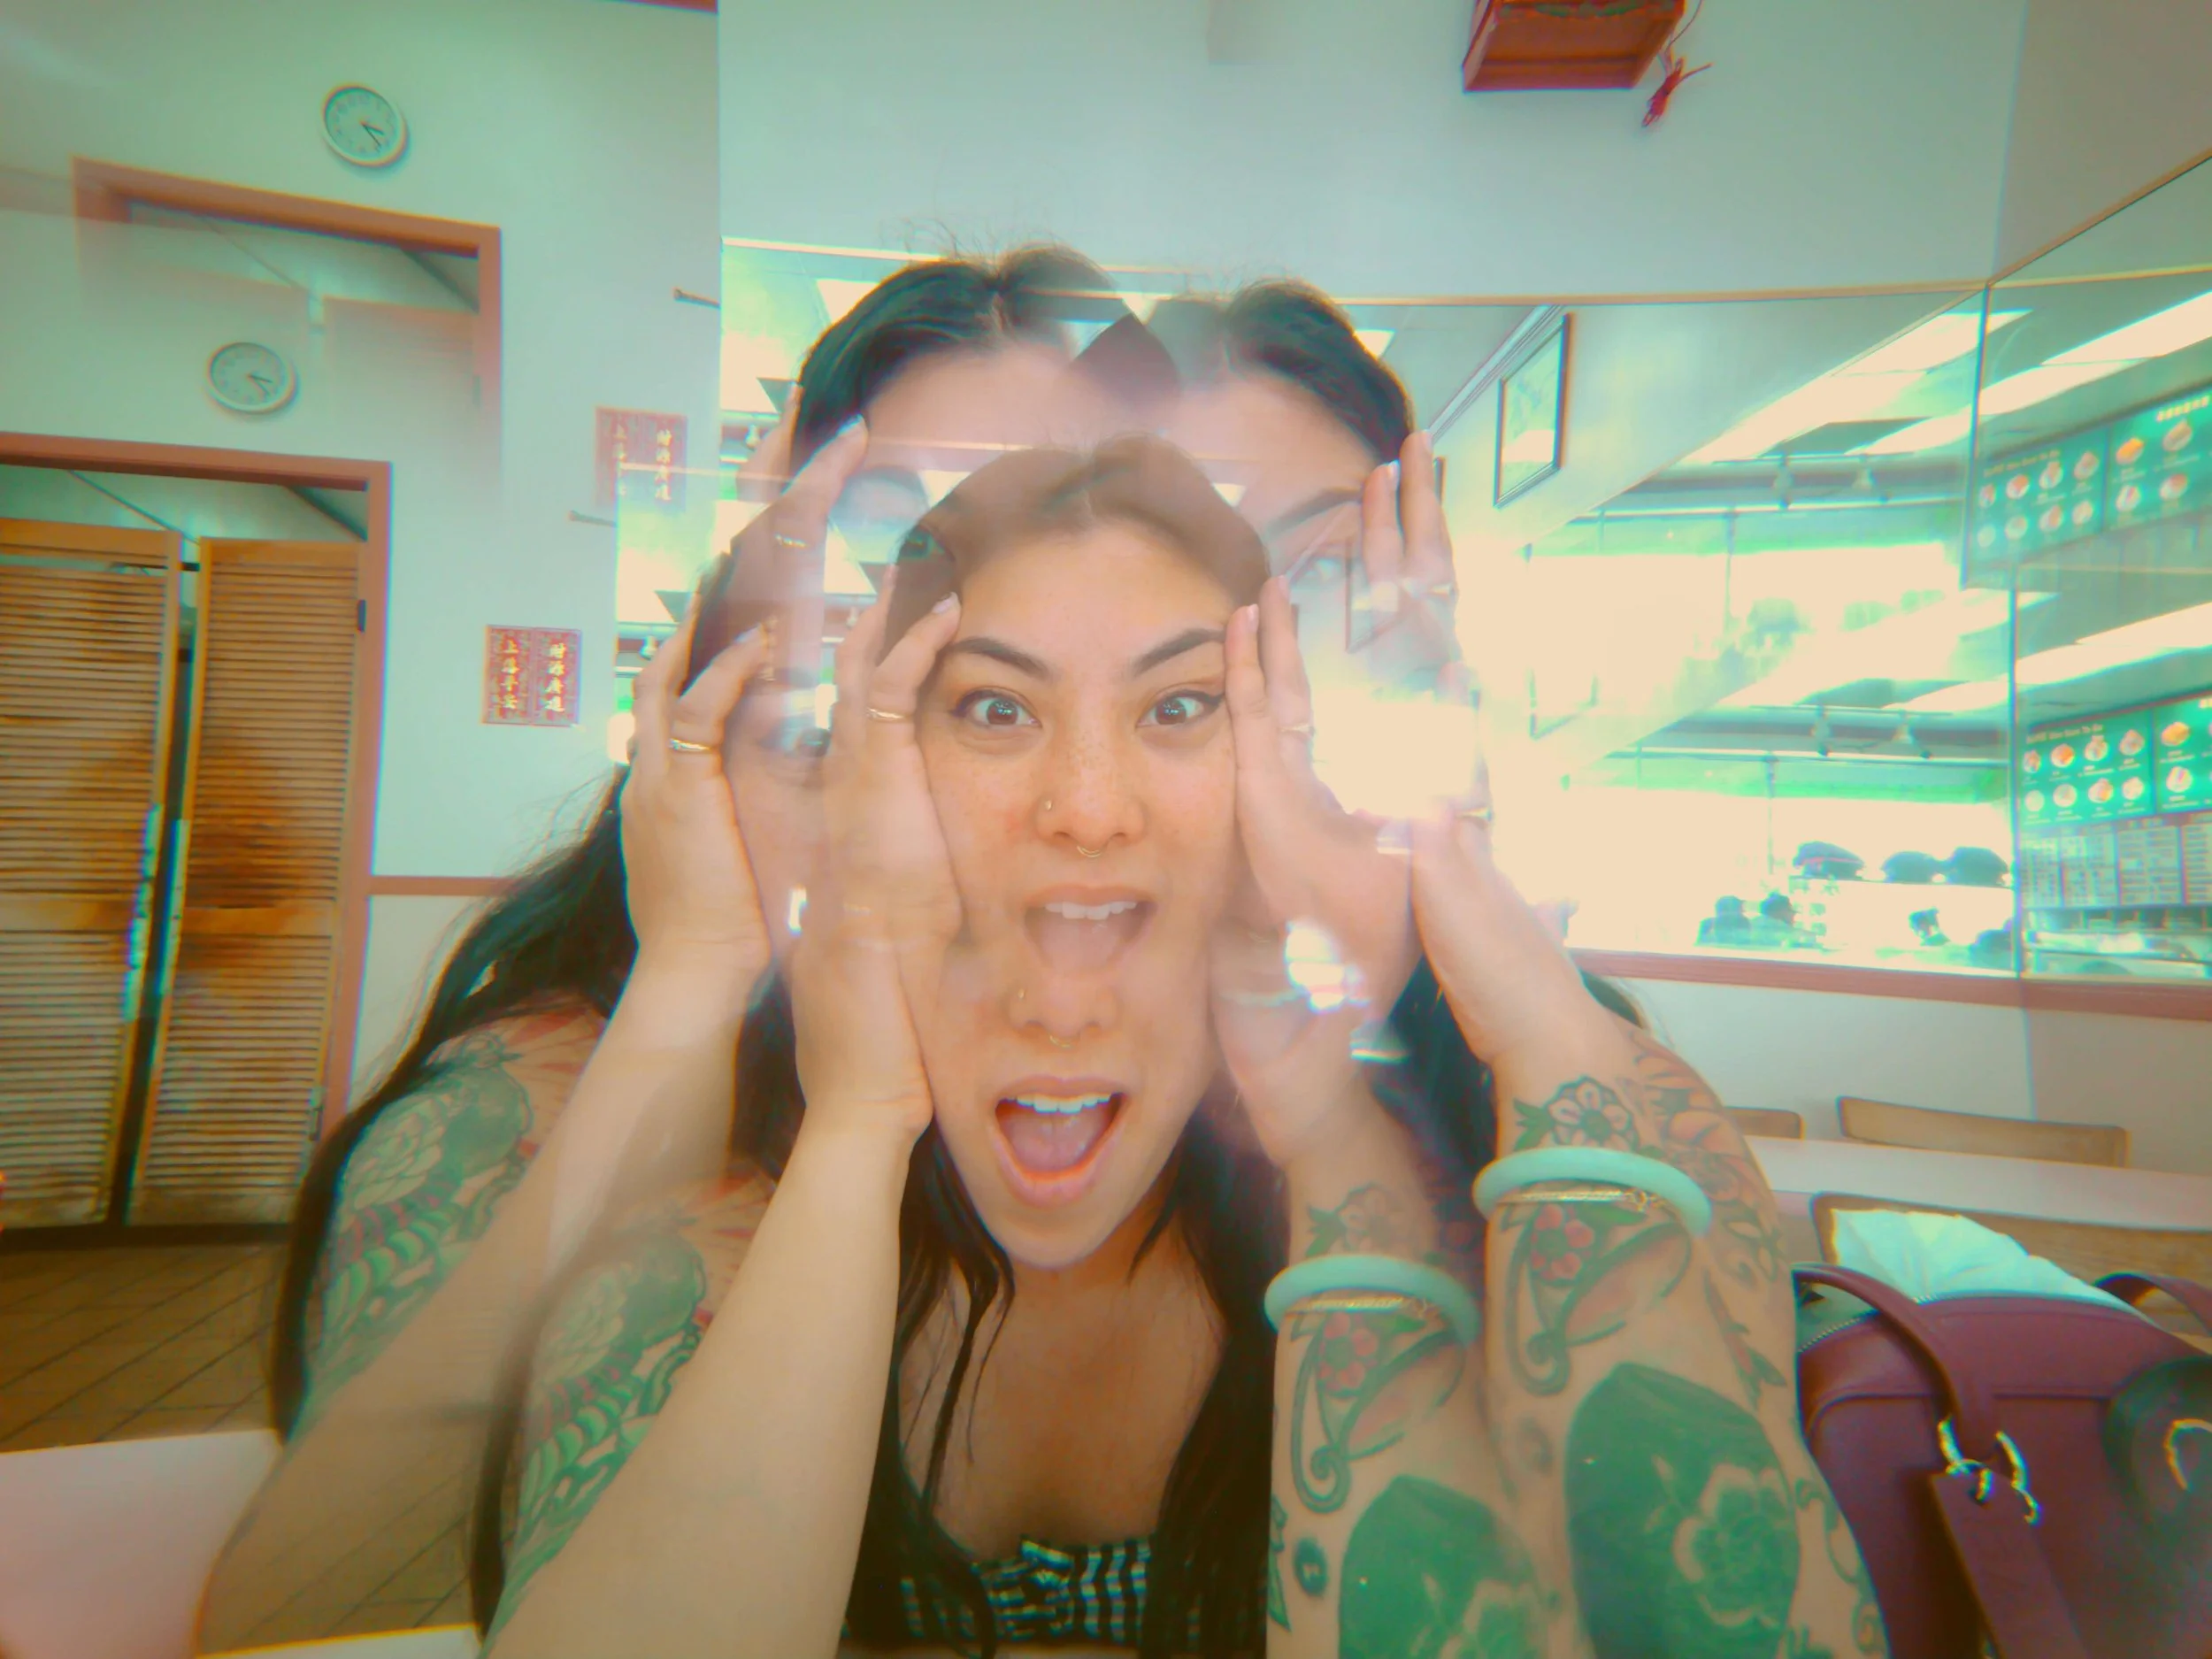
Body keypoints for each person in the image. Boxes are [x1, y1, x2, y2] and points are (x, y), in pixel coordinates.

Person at [476, 437, 1875, 1658]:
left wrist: (1427, 1048)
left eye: (1184, 702)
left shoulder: (1552, 1120)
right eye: (994, 705)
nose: (1089, 805)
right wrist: (855, 1119)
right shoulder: (723, 1205)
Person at [200, 245, 1134, 1652]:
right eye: (898, 535)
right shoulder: (530, 1098)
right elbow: (307, 1614)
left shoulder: (1148, 1058)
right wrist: (694, 981)